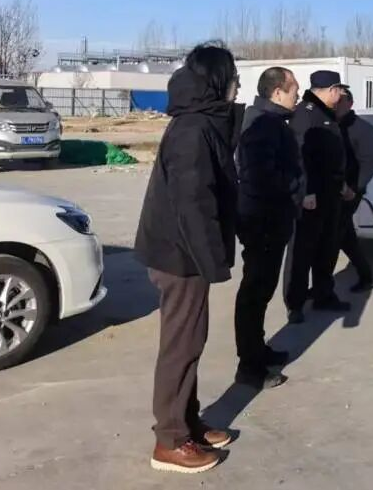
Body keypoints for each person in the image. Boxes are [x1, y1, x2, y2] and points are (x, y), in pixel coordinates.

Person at [135, 43, 240, 473]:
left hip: (185, 252)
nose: (237, 85)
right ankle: (171, 440)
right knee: (181, 345)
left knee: (190, 341)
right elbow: (193, 203)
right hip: (180, 256)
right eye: (233, 77)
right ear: (217, 80)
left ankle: (187, 421)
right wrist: (213, 262)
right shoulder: (193, 130)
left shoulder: (202, 121)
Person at [234, 66, 302, 389]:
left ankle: (258, 349)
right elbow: (258, 176)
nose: (297, 97)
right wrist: (293, 186)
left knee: (260, 292)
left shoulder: (272, 121)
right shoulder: (262, 124)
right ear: (277, 93)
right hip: (262, 221)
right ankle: (249, 366)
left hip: (270, 219)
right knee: (254, 292)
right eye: (294, 91)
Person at [283, 70, 351, 323]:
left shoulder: (327, 114)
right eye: (339, 90)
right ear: (330, 90)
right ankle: (295, 303)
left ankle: (323, 294)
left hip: (331, 193)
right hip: (311, 196)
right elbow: (299, 156)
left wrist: (341, 183)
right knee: (302, 251)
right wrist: (307, 191)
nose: (341, 95)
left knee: (327, 248)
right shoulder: (306, 113)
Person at [334, 88, 373, 292]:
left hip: (351, 190)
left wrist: (355, 189)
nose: (336, 103)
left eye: (341, 100)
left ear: (350, 104)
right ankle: (366, 275)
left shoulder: (363, 129)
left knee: (338, 233)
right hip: (333, 188)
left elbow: (369, 163)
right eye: (335, 98)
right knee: (344, 235)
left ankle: (365, 276)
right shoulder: (329, 124)